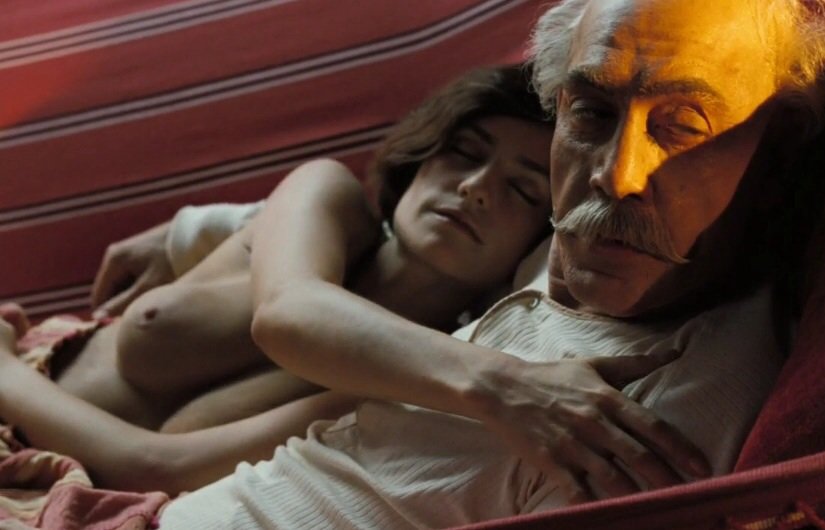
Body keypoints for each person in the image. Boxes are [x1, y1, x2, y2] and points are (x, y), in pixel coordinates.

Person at [0, 64, 564, 492]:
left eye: (522, 189)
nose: (475, 187)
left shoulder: (419, 377)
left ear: (535, 244)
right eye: (463, 152)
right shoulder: (332, 200)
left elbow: (156, 467)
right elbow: (290, 309)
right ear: (421, 158)